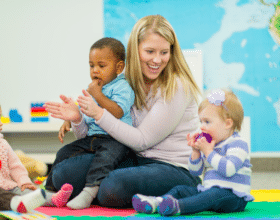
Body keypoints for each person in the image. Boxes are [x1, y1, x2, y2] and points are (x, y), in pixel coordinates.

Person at [45, 14, 202, 208]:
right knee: (63, 174)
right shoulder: (124, 82)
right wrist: (77, 118)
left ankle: (183, 191)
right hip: (133, 159)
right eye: (150, 51)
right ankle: (102, 193)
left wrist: (99, 113)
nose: (157, 60)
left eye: (164, 52)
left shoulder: (177, 85)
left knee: (111, 187)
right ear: (135, 51)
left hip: (172, 167)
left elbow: (142, 141)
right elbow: (93, 134)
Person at [45, 37, 135, 209]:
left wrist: (98, 94)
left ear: (119, 67)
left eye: (101, 66)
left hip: (115, 140)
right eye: (91, 65)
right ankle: (50, 192)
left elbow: (117, 112)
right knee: (64, 152)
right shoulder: (94, 89)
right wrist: (70, 120)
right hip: (93, 138)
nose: (95, 71)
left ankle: (89, 192)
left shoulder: (122, 87)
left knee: (103, 160)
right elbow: (84, 114)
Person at [132, 89, 254, 216]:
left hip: (234, 197)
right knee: (181, 190)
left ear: (228, 123)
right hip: (208, 191)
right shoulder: (210, 145)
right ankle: (157, 203)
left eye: (207, 122)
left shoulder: (238, 144)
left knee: (213, 195)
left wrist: (208, 151)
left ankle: (178, 207)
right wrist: (195, 152)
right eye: (201, 121)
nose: (202, 126)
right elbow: (196, 172)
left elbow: (229, 169)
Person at [0, 96, 73, 207]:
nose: (1, 122)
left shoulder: (2, 144)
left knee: (29, 193)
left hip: (9, 187)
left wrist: (24, 182)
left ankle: (54, 198)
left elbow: (15, 166)